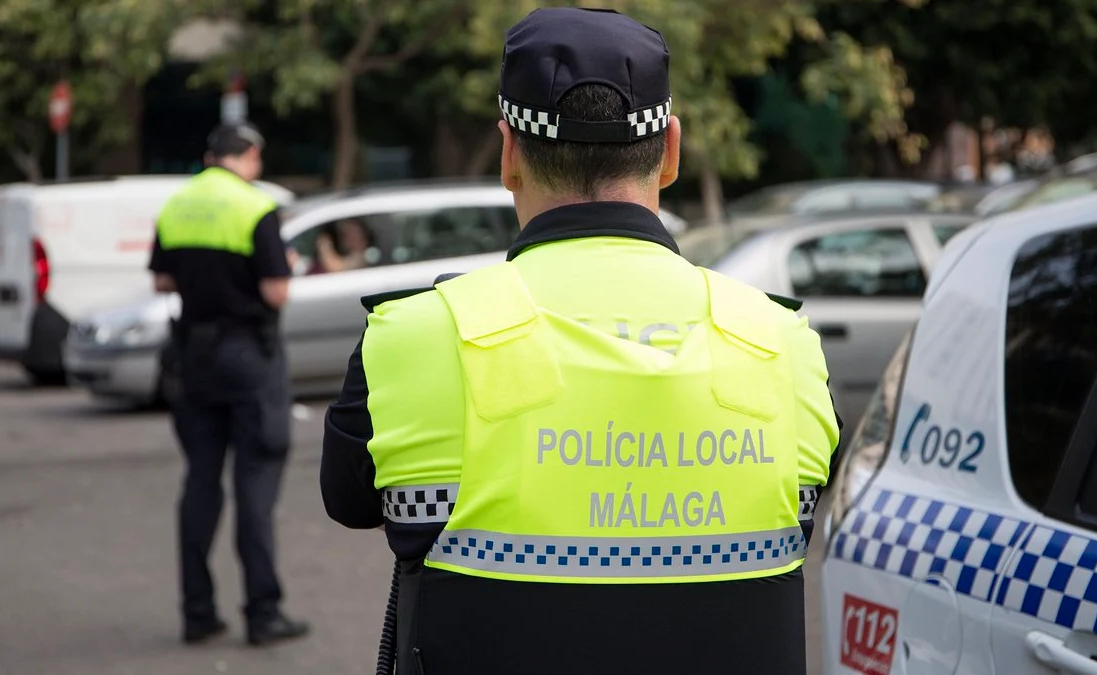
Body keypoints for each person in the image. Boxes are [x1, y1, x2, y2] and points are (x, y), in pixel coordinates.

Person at [319, 8, 840, 675]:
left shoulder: (416, 335)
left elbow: (350, 500)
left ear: (509, 153)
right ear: (671, 151)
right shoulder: (780, 340)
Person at [150, 124, 310, 647]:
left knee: (200, 481)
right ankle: (262, 614)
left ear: (208, 156)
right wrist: (279, 268)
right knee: (255, 485)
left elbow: (162, 280)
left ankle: (197, 612)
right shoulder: (253, 208)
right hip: (248, 356)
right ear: (251, 157)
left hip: (193, 356)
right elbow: (277, 292)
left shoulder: (177, 205)